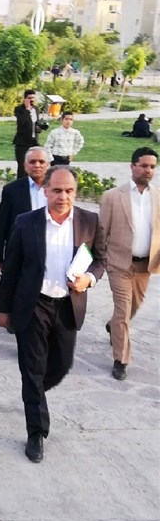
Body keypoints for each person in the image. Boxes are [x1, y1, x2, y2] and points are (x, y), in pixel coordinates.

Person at [0, 166, 105, 463]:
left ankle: (32, 393)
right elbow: (12, 268)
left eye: (69, 191)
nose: (63, 196)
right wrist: (3, 308)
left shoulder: (90, 221)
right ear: (45, 190)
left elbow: (100, 260)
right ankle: (36, 432)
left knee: (61, 365)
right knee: (32, 369)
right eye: (56, 190)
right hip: (33, 305)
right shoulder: (26, 222)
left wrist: (89, 279)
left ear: (75, 192)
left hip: (68, 305)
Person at [99, 147, 159, 380]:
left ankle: (112, 325)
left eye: (152, 166)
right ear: (132, 166)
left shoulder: (158, 196)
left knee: (134, 306)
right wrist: (101, 260)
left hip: (145, 266)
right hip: (119, 263)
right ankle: (121, 360)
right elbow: (102, 231)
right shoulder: (113, 196)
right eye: (143, 165)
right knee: (123, 310)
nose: (148, 170)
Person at [0, 147, 50, 277]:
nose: (37, 165)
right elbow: (2, 225)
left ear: (48, 165)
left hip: (51, 250)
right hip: (20, 253)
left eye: (41, 162)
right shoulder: (12, 190)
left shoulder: (56, 189)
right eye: (32, 162)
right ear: (25, 165)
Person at [13, 90, 43, 179]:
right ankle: (21, 184)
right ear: (25, 99)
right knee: (22, 166)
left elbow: (36, 123)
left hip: (34, 141)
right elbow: (21, 122)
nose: (32, 100)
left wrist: (39, 128)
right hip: (22, 142)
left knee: (34, 165)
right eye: (29, 98)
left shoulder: (36, 109)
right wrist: (27, 109)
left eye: (33, 98)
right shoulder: (19, 109)